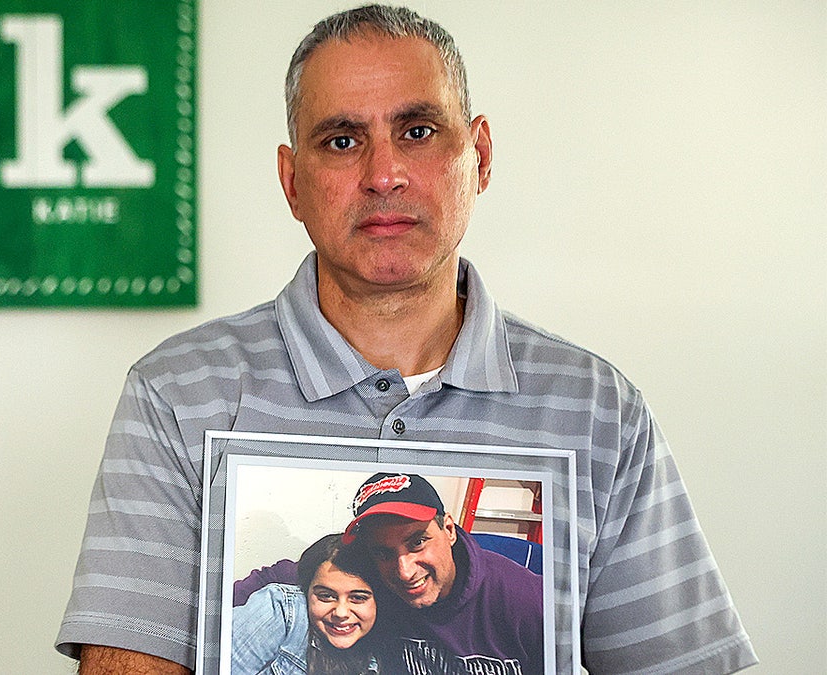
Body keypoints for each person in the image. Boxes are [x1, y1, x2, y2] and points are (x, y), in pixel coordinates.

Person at [55, 5, 757, 674]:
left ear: (479, 155)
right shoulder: (176, 395)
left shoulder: (602, 409)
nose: (382, 173)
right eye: (342, 140)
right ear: (292, 181)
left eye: (418, 131)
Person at [344, 473, 543, 675]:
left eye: (418, 542)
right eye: (383, 553)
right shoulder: (371, 592)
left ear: (449, 529)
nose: (405, 572)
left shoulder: (530, 602)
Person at [232, 534, 381, 675]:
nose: (341, 613)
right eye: (326, 596)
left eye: (357, 598)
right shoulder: (283, 610)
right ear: (306, 590)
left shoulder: (386, 648)